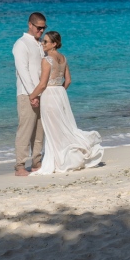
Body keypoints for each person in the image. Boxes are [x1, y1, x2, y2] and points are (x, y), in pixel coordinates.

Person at [29, 31, 103, 175]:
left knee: (53, 129)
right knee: (65, 126)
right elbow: (68, 80)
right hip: (60, 94)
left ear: (54, 44)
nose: (43, 44)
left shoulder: (47, 60)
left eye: (46, 42)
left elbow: (43, 84)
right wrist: (60, 91)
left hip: (49, 94)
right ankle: (68, 155)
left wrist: (31, 96)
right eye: (43, 41)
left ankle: (60, 160)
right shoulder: (63, 58)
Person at [12, 12, 47, 177]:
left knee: (40, 131)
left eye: (43, 28)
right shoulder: (21, 44)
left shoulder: (40, 44)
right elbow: (23, 71)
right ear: (30, 25)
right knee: (25, 130)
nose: (41, 31)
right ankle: (19, 165)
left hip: (41, 93)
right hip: (26, 94)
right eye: (39, 28)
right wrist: (32, 95)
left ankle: (36, 162)